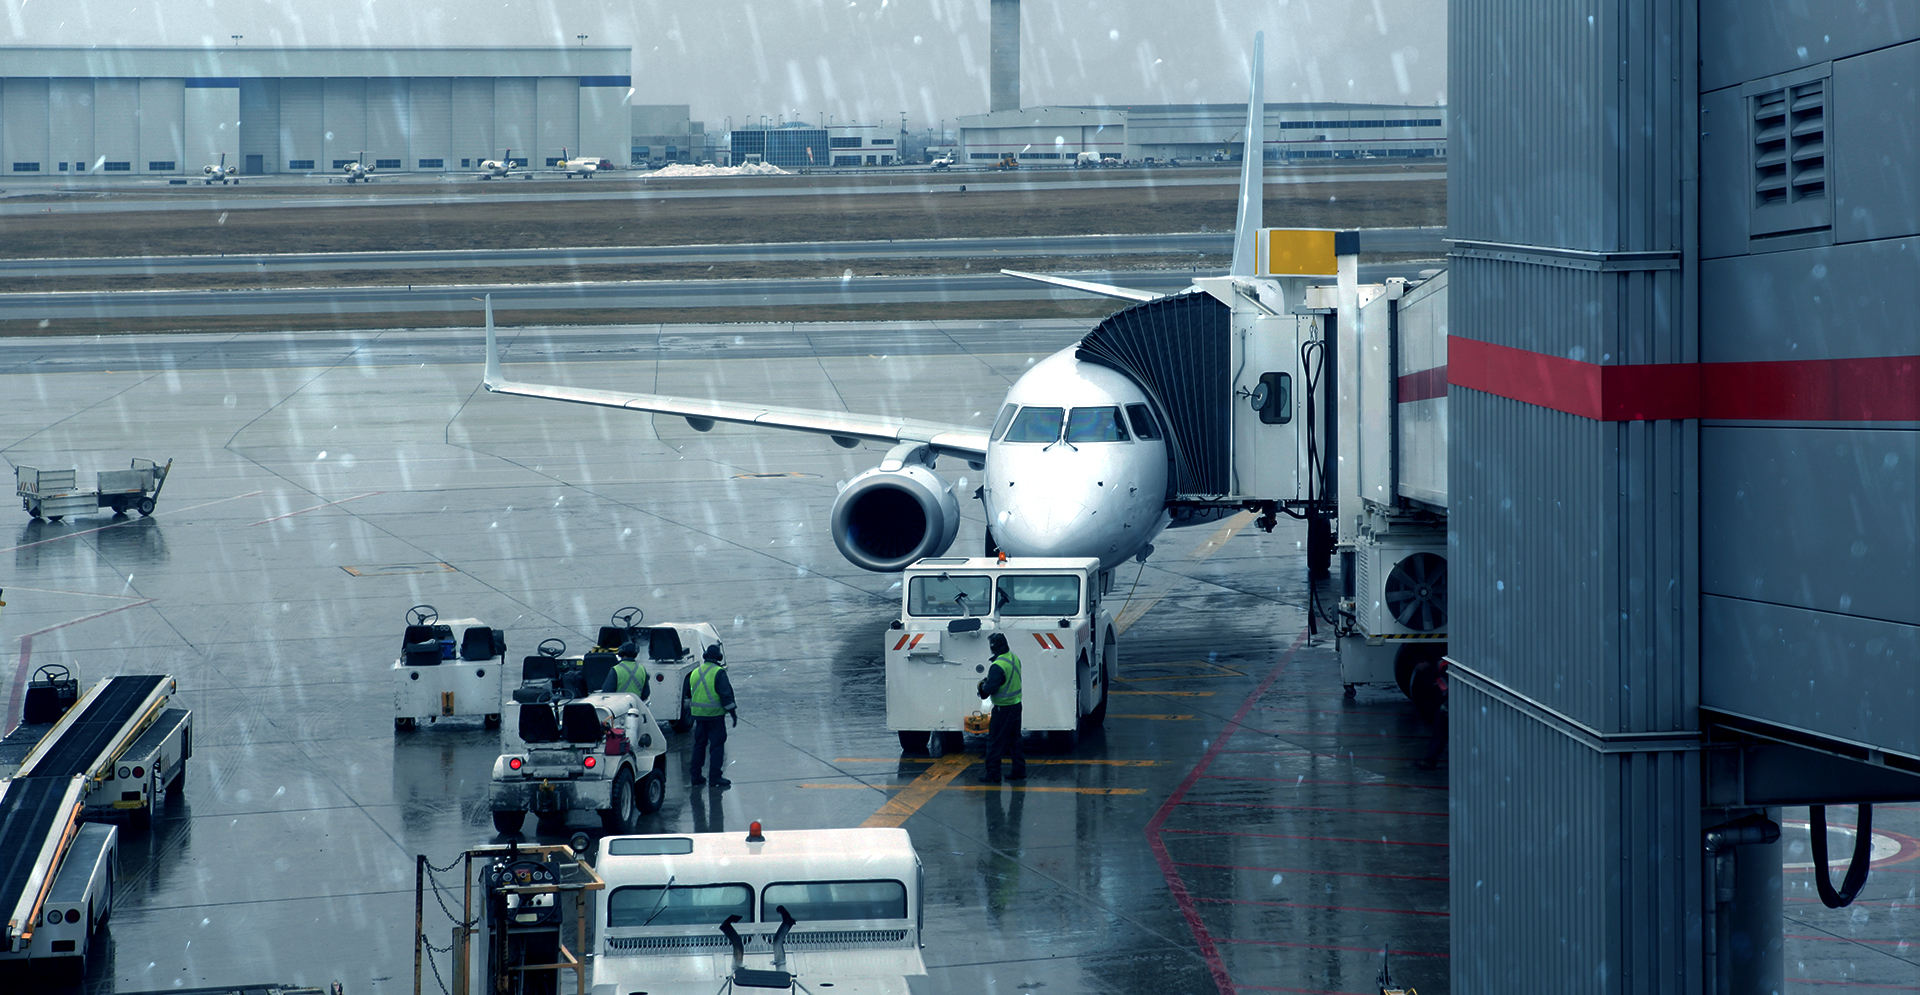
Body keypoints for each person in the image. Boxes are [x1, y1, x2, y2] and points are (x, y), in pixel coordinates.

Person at [683, 644, 737, 788]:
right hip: (715, 717)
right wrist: (733, 713)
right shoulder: (718, 672)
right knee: (717, 746)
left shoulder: (695, 672)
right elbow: (726, 695)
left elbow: (689, 693)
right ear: (718, 657)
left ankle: (695, 776)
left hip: (698, 717)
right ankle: (715, 778)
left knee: (699, 745)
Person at [975, 632, 1025, 783]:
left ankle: (993, 774)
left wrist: (982, 685)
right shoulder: (1013, 657)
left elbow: (990, 689)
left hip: (1002, 709)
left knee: (995, 742)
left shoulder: (998, 666)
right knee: (1015, 740)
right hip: (1016, 705)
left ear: (993, 647)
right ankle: (1019, 770)